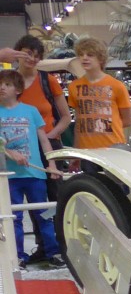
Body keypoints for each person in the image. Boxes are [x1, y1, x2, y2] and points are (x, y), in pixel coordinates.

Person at [0, 69, 63, 269]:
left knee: (44, 214)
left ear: (18, 89)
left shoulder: (31, 111)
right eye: (0, 84)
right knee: (14, 218)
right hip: (9, 176)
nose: (2, 87)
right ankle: (18, 256)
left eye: (7, 84)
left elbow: (44, 140)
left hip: (35, 174)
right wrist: (10, 153)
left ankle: (53, 252)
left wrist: (51, 164)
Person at [14, 34, 71, 238]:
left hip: (49, 145)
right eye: (28, 53)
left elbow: (65, 116)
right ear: (18, 54)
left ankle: (62, 240)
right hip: (20, 149)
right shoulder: (7, 82)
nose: (32, 59)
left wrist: (50, 136)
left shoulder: (48, 80)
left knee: (56, 194)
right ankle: (43, 243)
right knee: (33, 198)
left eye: (37, 55)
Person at [67, 37, 131, 160]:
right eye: (81, 55)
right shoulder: (73, 87)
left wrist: (103, 125)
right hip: (86, 151)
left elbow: (128, 120)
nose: (84, 58)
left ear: (101, 58)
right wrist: (76, 151)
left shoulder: (117, 86)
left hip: (113, 148)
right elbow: (79, 122)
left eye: (90, 55)